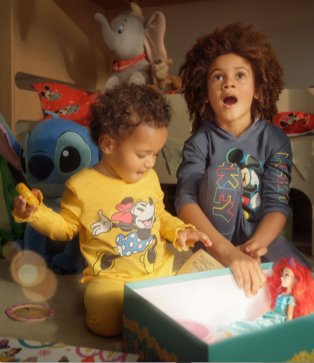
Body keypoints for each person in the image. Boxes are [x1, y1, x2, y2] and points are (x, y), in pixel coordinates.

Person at [12, 83, 211, 337]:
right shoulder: (81, 186)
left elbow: (158, 215)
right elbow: (65, 229)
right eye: (142, 154)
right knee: (104, 320)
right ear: (107, 144)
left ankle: (151, 310)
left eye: (155, 154)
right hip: (111, 278)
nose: (150, 163)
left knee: (185, 309)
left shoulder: (148, 177)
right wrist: (35, 213)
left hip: (156, 271)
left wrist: (180, 231)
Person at [175, 22, 311, 298]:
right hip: (212, 242)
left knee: (304, 289)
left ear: (258, 89)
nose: (229, 83)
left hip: (259, 240)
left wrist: (252, 249)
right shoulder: (199, 142)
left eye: (240, 75)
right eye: (217, 77)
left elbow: (277, 204)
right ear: (205, 93)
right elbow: (184, 200)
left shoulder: (275, 140)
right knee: (221, 175)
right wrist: (227, 254)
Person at [217, 257, 314, 339]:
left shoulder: (291, 299)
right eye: (282, 275)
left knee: (256, 327)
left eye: (286, 275)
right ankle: (231, 330)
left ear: (296, 280)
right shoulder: (282, 295)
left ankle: (231, 333)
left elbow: (289, 317)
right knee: (255, 324)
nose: (282, 278)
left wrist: (287, 332)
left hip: (277, 322)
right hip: (270, 316)